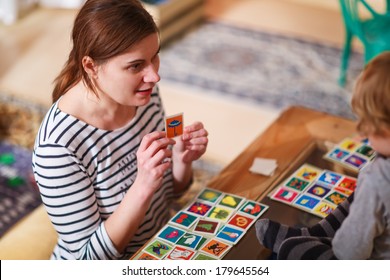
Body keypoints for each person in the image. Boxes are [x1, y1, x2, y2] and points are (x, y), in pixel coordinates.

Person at [32, 0, 208, 260]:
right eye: (136, 66)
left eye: (154, 57)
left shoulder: (144, 95)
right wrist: (143, 185)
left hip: (161, 247)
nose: (154, 76)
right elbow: (87, 260)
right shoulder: (57, 148)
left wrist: (182, 161)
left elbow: (167, 197)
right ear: (91, 66)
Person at [255, 51, 390, 260]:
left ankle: (316, 237)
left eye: (367, 123)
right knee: (365, 183)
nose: (362, 132)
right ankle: (319, 232)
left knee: (292, 248)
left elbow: (350, 253)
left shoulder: (378, 180)